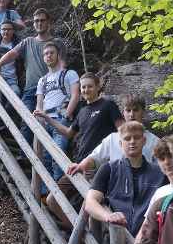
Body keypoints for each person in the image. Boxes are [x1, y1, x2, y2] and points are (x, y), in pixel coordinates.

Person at [34, 72, 123, 228]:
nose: (86, 90)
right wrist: (48, 118)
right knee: (52, 200)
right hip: (78, 164)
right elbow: (69, 133)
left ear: (97, 87)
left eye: (90, 86)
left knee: (91, 206)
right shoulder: (82, 111)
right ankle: (81, 239)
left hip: (98, 164)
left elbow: (122, 131)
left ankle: (91, 243)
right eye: (83, 87)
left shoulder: (108, 105)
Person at [0, 8, 58, 146]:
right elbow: (12, 54)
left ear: (49, 22)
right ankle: (23, 155)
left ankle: (41, 162)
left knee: (47, 126)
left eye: (42, 20)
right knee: (26, 120)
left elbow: (63, 67)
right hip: (30, 88)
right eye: (36, 21)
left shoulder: (57, 44)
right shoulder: (28, 42)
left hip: (51, 89)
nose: (39, 23)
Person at [85, 121, 166, 236]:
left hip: (149, 241)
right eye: (127, 138)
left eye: (137, 137)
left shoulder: (159, 173)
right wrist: (108, 216)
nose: (132, 141)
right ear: (120, 143)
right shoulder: (109, 169)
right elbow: (90, 202)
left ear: (144, 141)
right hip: (115, 240)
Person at [68, 94, 160, 177]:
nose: (132, 114)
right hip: (116, 189)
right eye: (128, 110)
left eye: (136, 110)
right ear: (123, 113)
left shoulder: (154, 141)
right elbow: (94, 158)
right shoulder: (112, 139)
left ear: (143, 112)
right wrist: (80, 166)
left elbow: (161, 169)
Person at [34, 41, 80, 191]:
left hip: (61, 120)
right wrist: (39, 119)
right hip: (45, 121)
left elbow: (75, 95)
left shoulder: (69, 74)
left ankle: (57, 193)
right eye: (45, 54)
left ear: (58, 55)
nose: (48, 56)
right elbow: (39, 103)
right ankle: (45, 193)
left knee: (57, 156)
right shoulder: (42, 80)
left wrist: (66, 116)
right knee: (45, 158)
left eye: (51, 53)